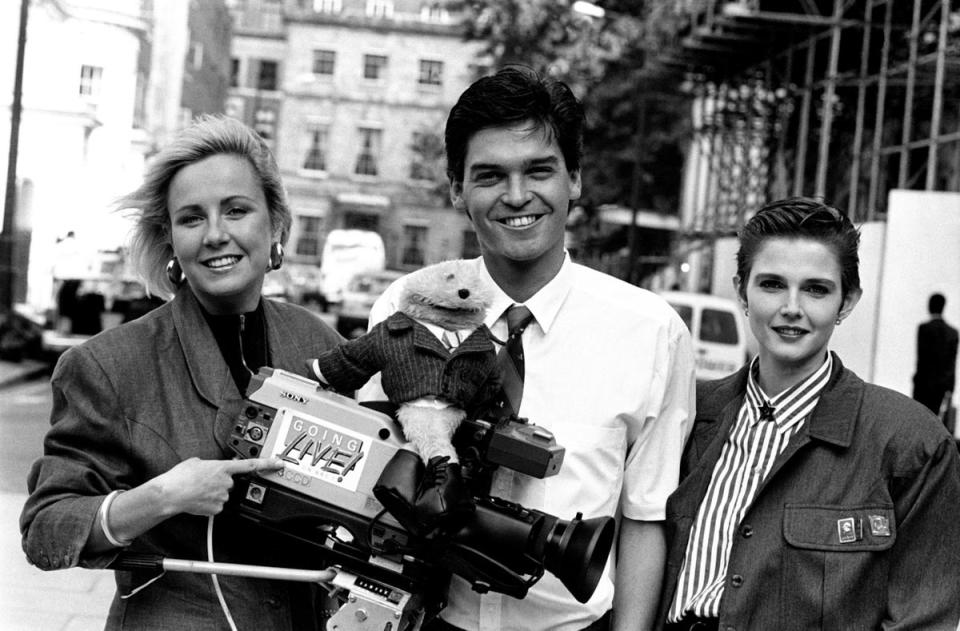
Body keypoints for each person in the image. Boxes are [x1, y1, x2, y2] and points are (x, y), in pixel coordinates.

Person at [359, 66, 696, 631]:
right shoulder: (407, 306)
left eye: (539, 171)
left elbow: (644, 516)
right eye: (489, 176)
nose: (517, 197)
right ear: (457, 189)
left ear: (575, 179)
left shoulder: (652, 331)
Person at [20, 115, 343, 630]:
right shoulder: (106, 366)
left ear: (275, 224)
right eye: (192, 219)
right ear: (170, 239)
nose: (216, 235)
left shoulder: (319, 344)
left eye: (236, 211)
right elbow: (46, 533)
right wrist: (164, 496)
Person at [658, 198, 960, 630]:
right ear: (741, 290)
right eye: (772, 284)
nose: (792, 307)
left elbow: (924, 619)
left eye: (816, 289)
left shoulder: (911, 445)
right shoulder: (686, 415)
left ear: (848, 300)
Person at [912, 292, 957, 418]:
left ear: (930, 306)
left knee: (920, 419)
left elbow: (921, 360)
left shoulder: (924, 328)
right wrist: (950, 389)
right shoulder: (953, 333)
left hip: (924, 385)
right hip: (942, 387)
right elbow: (952, 363)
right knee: (937, 421)